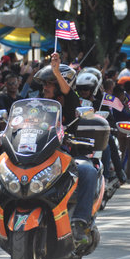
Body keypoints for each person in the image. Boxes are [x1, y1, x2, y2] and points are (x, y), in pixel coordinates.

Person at [33, 53, 97, 244]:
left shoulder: (70, 102)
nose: (45, 87)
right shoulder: (38, 102)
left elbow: (67, 93)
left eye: (49, 83)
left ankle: (79, 222)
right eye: (44, 83)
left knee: (87, 171)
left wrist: (56, 70)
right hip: (37, 155)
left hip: (64, 154)